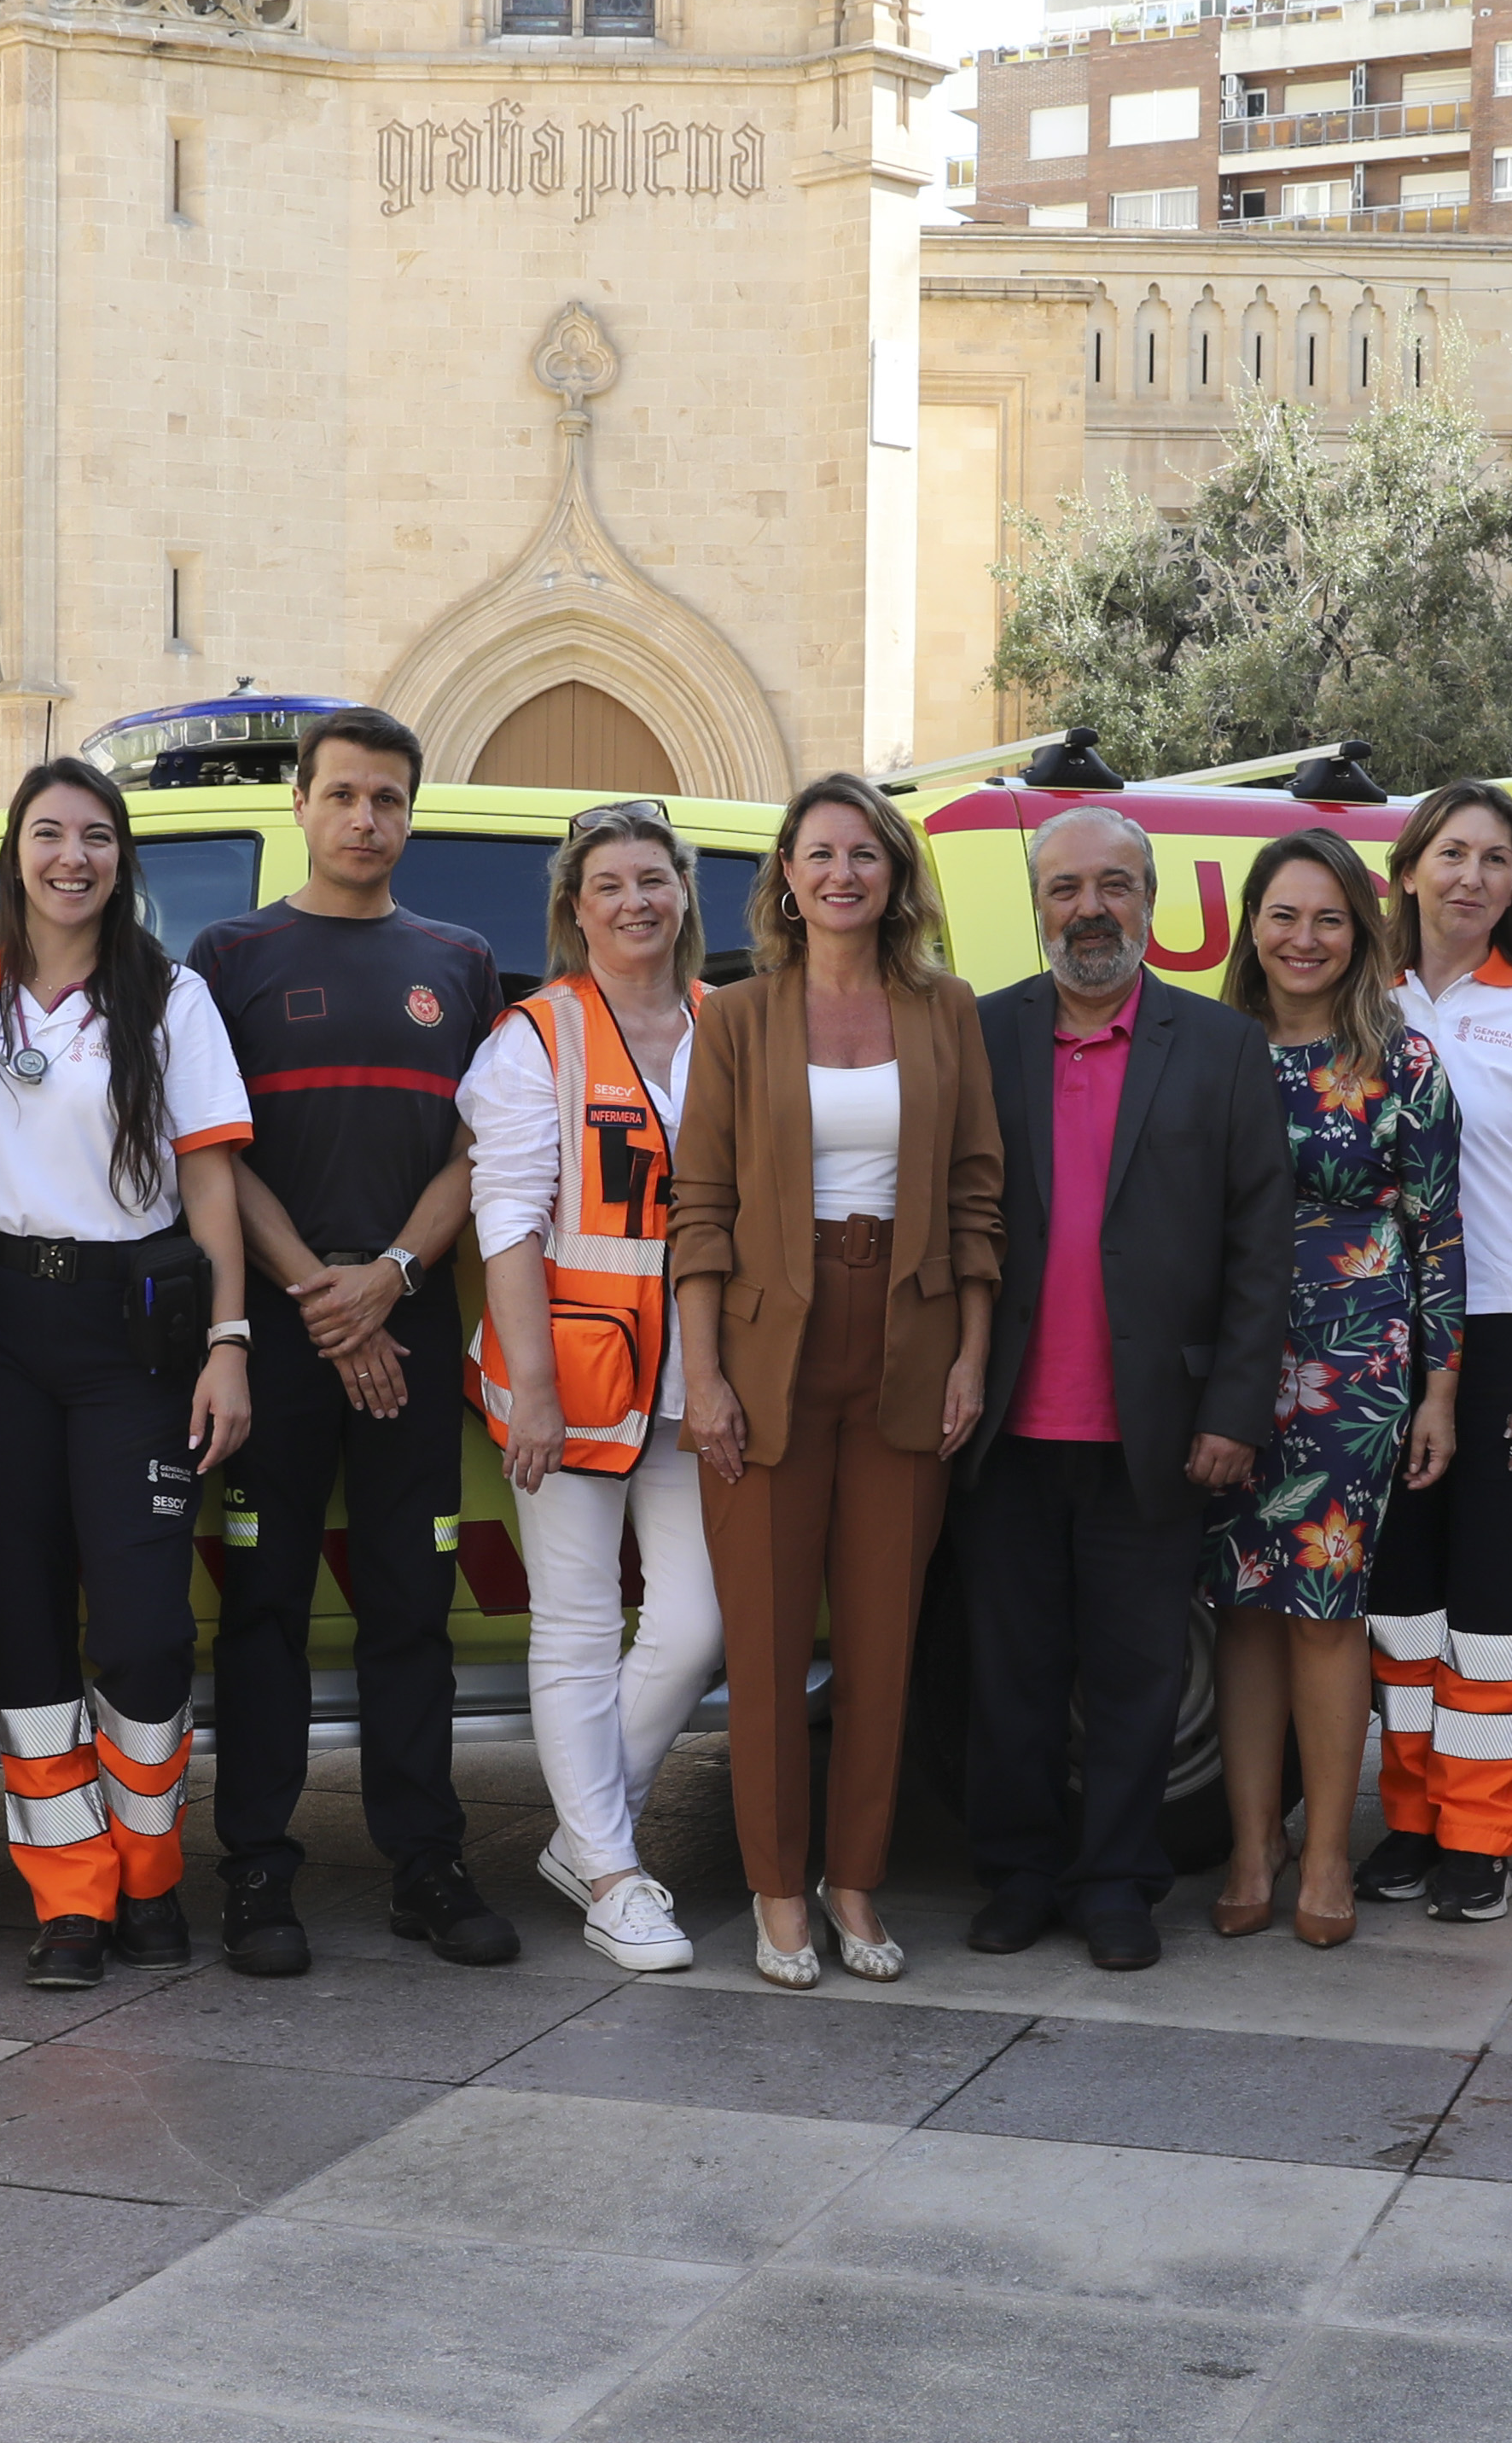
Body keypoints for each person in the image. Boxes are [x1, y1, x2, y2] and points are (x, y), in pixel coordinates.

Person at [0, 756, 256, 1990]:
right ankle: (70, 1897)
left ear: (121, 860)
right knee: (22, 1626)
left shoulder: (170, 1001)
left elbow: (211, 1186)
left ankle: (152, 1878)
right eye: (48, 834)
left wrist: (228, 1343)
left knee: (146, 1629)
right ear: (13, 853)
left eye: (95, 837)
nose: (71, 858)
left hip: (131, 1339)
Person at [193, 703, 516, 1977]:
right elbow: (211, 1152)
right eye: (342, 796)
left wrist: (385, 1278)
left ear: (409, 812)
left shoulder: (462, 957)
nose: (364, 819)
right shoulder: (230, 955)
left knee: (407, 1606)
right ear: (301, 804)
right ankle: (257, 1874)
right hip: (269, 1345)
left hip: (411, 1332)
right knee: (262, 1609)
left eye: (387, 799)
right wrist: (322, 1300)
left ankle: (425, 1863)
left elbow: (476, 1149)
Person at [670, 773, 1000, 1986]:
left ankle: (852, 1883)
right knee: (759, 1645)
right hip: (768, 1351)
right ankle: (774, 1893)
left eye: (863, 853)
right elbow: (696, 1211)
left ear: (893, 876)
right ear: (787, 881)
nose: (842, 873)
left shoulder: (945, 1009)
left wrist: (970, 1353)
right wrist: (702, 1377)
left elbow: (976, 1196)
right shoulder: (739, 1019)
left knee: (881, 1642)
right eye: (819, 854)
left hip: (906, 1347)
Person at [959, 807, 1289, 1973]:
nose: (1086, 909)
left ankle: (1114, 1882)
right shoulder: (981, 1036)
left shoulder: (1219, 1047)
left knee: (1139, 1674)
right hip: (1001, 1426)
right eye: (1062, 888)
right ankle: (1017, 1872)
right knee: (1008, 1673)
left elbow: (1260, 1249)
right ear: (1034, 904)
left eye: (1111, 886)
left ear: (1148, 905)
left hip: (1155, 1430)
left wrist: (1231, 1413)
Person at [467, 799, 719, 1975]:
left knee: (693, 1622)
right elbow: (506, 1220)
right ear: (576, 908)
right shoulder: (536, 1035)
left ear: (681, 894)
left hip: (694, 1376)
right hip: (567, 1377)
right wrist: (529, 1387)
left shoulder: (729, 1024)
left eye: (652, 879)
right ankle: (613, 1875)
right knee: (573, 1626)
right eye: (608, 883)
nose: (634, 900)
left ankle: (583, 1827)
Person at [1211, 829, 1463, 1949]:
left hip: (1353, 1364)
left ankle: (1321, 1853)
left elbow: (1439, 1235)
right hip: (1221, 1359)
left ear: (1357, 932)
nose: (1301, 938)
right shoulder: (1209, 1051)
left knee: (1321, 1609)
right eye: (1281, 915)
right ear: (1250, 928)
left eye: (1326, 918)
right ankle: (1246, 1842)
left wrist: (1439, 1390)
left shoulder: (1400, 1061)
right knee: (1238, 1610)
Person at [1364, 781, 1512, 1924]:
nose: (1470, 877)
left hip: (1508, 1328)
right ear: (1407, 868)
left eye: (1494, 861)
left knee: (1495, 1601)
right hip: (1379, 1329)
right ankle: (1406, 1821)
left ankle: (1476, 1830)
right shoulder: (1365, 999)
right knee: (1401, 1601)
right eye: (1450, 853)